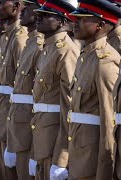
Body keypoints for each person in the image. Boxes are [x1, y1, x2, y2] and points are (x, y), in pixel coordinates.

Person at [68, 0, 121, 179]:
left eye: (83, 19)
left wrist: (105, 170)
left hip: (92, 160)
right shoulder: (86, 56)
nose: (75, 22)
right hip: (78, 151)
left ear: (100, 24)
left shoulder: (104, 61)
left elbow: (108, 121)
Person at [32, 1, 80, 179]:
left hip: (55, 140)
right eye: (40, 14)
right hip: (41, 137)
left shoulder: (66, 51)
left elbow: (70, 107)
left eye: (46, 15)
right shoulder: (48, 48)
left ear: (61, 21)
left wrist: (62, 158)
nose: (39, 18)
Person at [7, 0, 44, 179]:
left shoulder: (38, 45)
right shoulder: (30, 42)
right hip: (19, 129)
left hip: (31, 132)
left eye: (28, 7)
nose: (22, 10)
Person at [0, 0, 27, 179]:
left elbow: (24, 88)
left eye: (0, 2)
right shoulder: (7, 36)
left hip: (15, 122)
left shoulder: (21, 38)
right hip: (4, 118)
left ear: (16, 6)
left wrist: (16, 134)